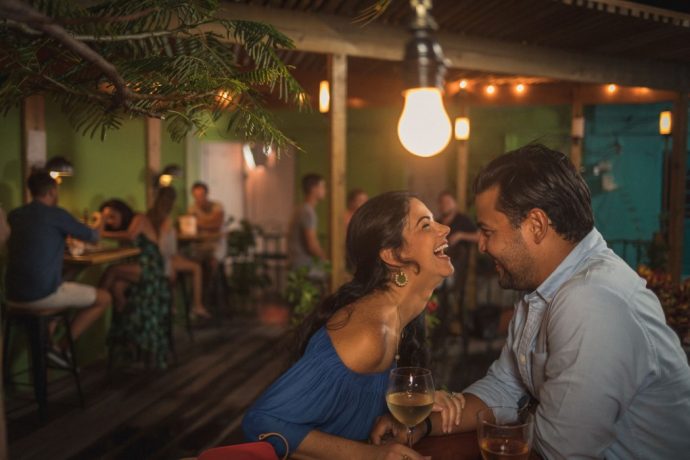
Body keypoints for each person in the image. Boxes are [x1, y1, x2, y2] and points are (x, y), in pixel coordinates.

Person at [372, 144, 690, 459]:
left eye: (487, 231)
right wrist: (421, 425)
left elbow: (559, 450)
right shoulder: (544, 286)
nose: (480, 246)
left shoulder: (592, 302)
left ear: (536, 226)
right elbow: (504, 388)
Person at [243, 191, 464, 459]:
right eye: (426, 225)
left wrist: (419, 398)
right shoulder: (367, 333)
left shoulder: (403, 316)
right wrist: (371, 456)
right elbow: (260, 422)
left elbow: (362, 404)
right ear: (393, 255)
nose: (445, 228)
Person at [5, 171, 111, 365]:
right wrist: (102, 218)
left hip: (12, 296)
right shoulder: (56, 214)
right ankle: (60, 348)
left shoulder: (15, 215)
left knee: (65, 284)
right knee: (104, 298)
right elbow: (95, 237)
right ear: (53, 191)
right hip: (41, 296)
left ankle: (47, 344)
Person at [98, 198, 171, 368]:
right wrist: (100, 226)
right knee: (116, 287)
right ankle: (128, 348)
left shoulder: (138, 219)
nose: (110, 221)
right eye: (106, 218)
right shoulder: (119, 230)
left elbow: (131, 236)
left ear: (122, 211)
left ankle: (95, 300)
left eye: (112, 216)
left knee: (112, 271)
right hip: (135, 270)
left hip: (151, 268)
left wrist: (99, 232)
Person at [151, 187, 210, 319]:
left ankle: (174, 306)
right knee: (196, 267)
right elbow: (165, 248)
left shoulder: (154, 215)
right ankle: (196, 306)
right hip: (164, 259)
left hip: (162, 258)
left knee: (189, 263)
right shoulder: (165, 219)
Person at [287, 174, 327, 280]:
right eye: (322, 187)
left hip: (295, 263)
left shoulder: (301, 209)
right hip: (304, 266)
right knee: (338, 274)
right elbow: (312, 245)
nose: (325, 190)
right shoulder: (308, 212)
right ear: (314, 189)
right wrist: (327, 259)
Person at [188, 181, 226, 263]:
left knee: (213, 258)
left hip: (216, 242)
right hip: (200, 243)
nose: (199, 199)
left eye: (201, 195)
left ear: (206, 194)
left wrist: (200, 223)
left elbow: (217, 225)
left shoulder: (217, 206)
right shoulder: (192, 209)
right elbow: (192, 226)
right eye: (196, 196)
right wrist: (209, 222)